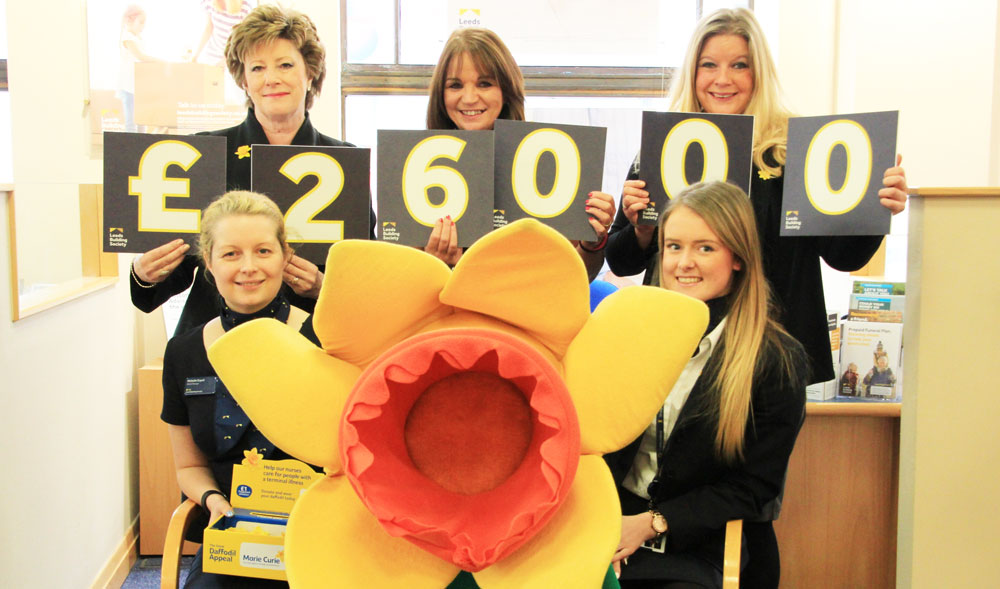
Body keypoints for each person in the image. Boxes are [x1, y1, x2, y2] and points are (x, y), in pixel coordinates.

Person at [604, 8, 909, 386]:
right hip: (678, 350)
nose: (722, 79)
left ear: (758, 74)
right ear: (693, 72)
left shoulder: (792, 151)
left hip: (772, 358)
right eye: (709, 65)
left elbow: (842, 255)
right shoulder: (663, 148)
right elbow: (620, 259)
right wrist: (642, 231)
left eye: (739, 65)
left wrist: (876, 208)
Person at [606, 181, 806, 589]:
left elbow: (754, 488)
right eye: (674, 246)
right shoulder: (630, 334)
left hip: (698, 543)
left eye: (705, 247)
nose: (684, 263)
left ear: (738, 257)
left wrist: (650, 524)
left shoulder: (776, 360)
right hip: (612, 526)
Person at [130, 5, 375, 336]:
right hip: (215, 340)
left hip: (313, 343)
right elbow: (175, 272)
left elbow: (364, 276)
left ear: (310, 72)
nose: (271, 78)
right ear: (243, 79)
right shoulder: (207, 153)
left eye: (285, 65)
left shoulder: (344, 160)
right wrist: (144, 274)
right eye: (257, 68)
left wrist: (322, 286)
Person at [161, 191, 318, 588]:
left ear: (286, 256)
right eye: (231, 254)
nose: (249, 267)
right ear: (209, 264)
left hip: (316, 533)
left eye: (263, 251)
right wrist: (213, 501)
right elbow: (189, 466)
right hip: (230, 535)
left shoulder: (325, 341)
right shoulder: (183, 352)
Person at [422, 27, 614, 280]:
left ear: (506, 90)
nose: (469, 98)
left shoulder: (544, 163)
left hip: (531, 313)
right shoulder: (422, 168)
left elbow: (573, 277)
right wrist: (436, 265)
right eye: (455, 85)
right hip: (453, 316)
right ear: (440, 94)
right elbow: (407, 284)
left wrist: (593, 240)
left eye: (484, 83)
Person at [117, 4, 162, 132]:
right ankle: (132, 148)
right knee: (131, 120)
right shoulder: (127, 37)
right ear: (130, 20)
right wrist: (160, 61)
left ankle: (141, 146)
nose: (143, 26)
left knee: (142, 119)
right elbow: (140, 56)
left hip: (138, 84)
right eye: (141, 22)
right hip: (128, 85)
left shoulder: (137, 38)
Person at [191, 0, 252, 66]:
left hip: (233, 58)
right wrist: (195, 56)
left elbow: (242, 42)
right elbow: (208, 28)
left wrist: (225, 61)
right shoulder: (209, 3)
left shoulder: (245, 9)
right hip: (212, 56)